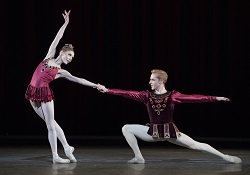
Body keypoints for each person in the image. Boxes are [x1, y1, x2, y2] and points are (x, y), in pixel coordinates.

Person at [97, 69, 242, 164]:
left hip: (170, 133)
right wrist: (108, 90)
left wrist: (215, 98)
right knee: (126, 128)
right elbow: (127, 93)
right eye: (150, 79)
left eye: (152, 80)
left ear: (161, 81)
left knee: (198, 146)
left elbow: (195, 98)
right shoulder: (146, 96)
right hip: (153, 133)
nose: (150, 82)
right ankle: (139, 158)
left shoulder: (173, 96)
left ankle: (226, 157)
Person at [25, 10, 100, 164]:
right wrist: (65, 23)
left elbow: (79, 80)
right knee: (51, 123)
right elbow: (57, 37)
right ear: (62, 52)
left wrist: (95, 85)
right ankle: (66, 147)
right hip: (33, 93)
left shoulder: (61, 71)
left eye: (72, 58)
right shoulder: (49, 56)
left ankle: (55, 156)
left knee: (51, 126)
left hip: (45, 95)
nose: (70, 59)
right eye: (69, 55)